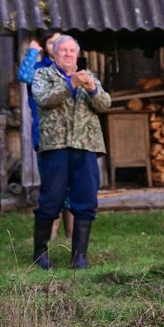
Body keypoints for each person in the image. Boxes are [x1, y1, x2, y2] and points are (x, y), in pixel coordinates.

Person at [31, 34, 111, 269]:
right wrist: (71, 84)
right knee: (51, 199)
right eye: (63, 50)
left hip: (86, 145)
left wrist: (92, 88)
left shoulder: (89, 76)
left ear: (77, 55)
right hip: (55, 146)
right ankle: (40, 252)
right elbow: (43, 99)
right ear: (54, 54)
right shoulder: (43, 75)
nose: (68, 54)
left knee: (86, 199)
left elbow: (105, 105)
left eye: (72, 51)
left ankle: (79, 256)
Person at [16, 30, 73, 240]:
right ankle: (48, 241)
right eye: (51, 43)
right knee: (53, 187)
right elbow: (24, 76)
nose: (57, 46)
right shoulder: (39, 70)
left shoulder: (72, 69)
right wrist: (32, 53)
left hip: (73, 135)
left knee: (73, 188)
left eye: (61, 42)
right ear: (44, 47)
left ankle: (74, 241)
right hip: (47, 136)